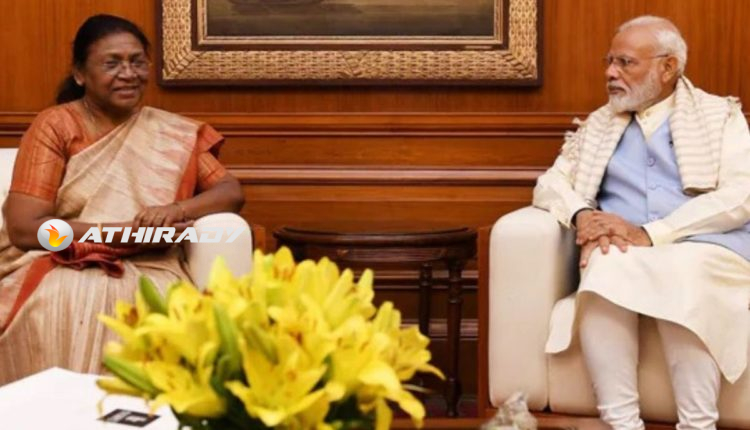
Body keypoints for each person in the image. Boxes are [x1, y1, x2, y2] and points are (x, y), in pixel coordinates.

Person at [0, 14, 245, 385]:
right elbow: (26, 230)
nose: (128, 73)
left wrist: (175, 210)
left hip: (150, 265)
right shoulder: (56, 126)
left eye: (137, 62)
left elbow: (230, 191)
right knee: (65, 302)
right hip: (62, 263)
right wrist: (118, 234)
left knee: (161, 309)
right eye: (112, 63)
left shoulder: (170, 132)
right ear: (80, 74)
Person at [534, 16, 750, 430]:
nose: (610, 73)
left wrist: (652, 233)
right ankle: (622, 424)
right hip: (628, 250)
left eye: (626, 62)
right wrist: (583, 215)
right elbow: (550, 184)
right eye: (609, 61)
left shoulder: (720, 116)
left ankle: (698, 425)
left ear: (668, 67)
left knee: (680, 268)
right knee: (603, 263)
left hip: (710, 248)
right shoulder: (599, 126)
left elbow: (741, 195)